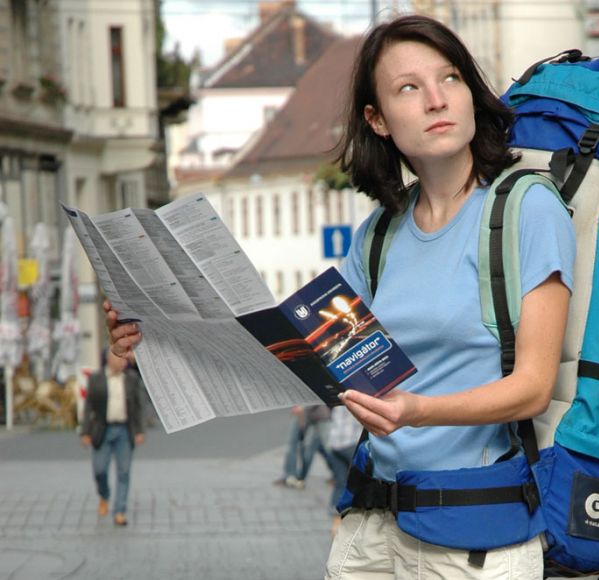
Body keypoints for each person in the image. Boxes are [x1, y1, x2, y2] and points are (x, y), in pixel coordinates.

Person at [107, 14, 574, 578]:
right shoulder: (380, 235)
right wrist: (161, 334)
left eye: (449, 79)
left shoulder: (526, 207)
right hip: (373, 524)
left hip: (474, 534)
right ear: (377, 119)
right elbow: (300, 354)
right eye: (408, 88)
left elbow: (531, 389)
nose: (435, 99)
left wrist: (417, 412)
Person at [79, 348, 146, 527]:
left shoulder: (131, 379)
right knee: (100, 469)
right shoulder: (96, 379)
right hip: (103, 430)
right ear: (110, 359)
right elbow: (88, 407)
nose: (124, 362)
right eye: (121, 358)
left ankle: (120, 511)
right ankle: (104, 495)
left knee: (124, 472)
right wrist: (85, 432)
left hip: (125, 430)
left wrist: (140, 431)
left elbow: (139, 406)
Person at [323, 405, 361, 535]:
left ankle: (335, 520)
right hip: (350, 442)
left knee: (340, 482)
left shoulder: (338, 395)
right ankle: (350, 516)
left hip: (334, 443)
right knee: (358, 481)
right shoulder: (358, 394)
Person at [274, 406, 307, 489]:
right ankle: (291, 475)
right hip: (307, 410)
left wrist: (302, 407)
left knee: (292, 445)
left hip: (305, 410)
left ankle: (291, 475)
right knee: (302, 445)